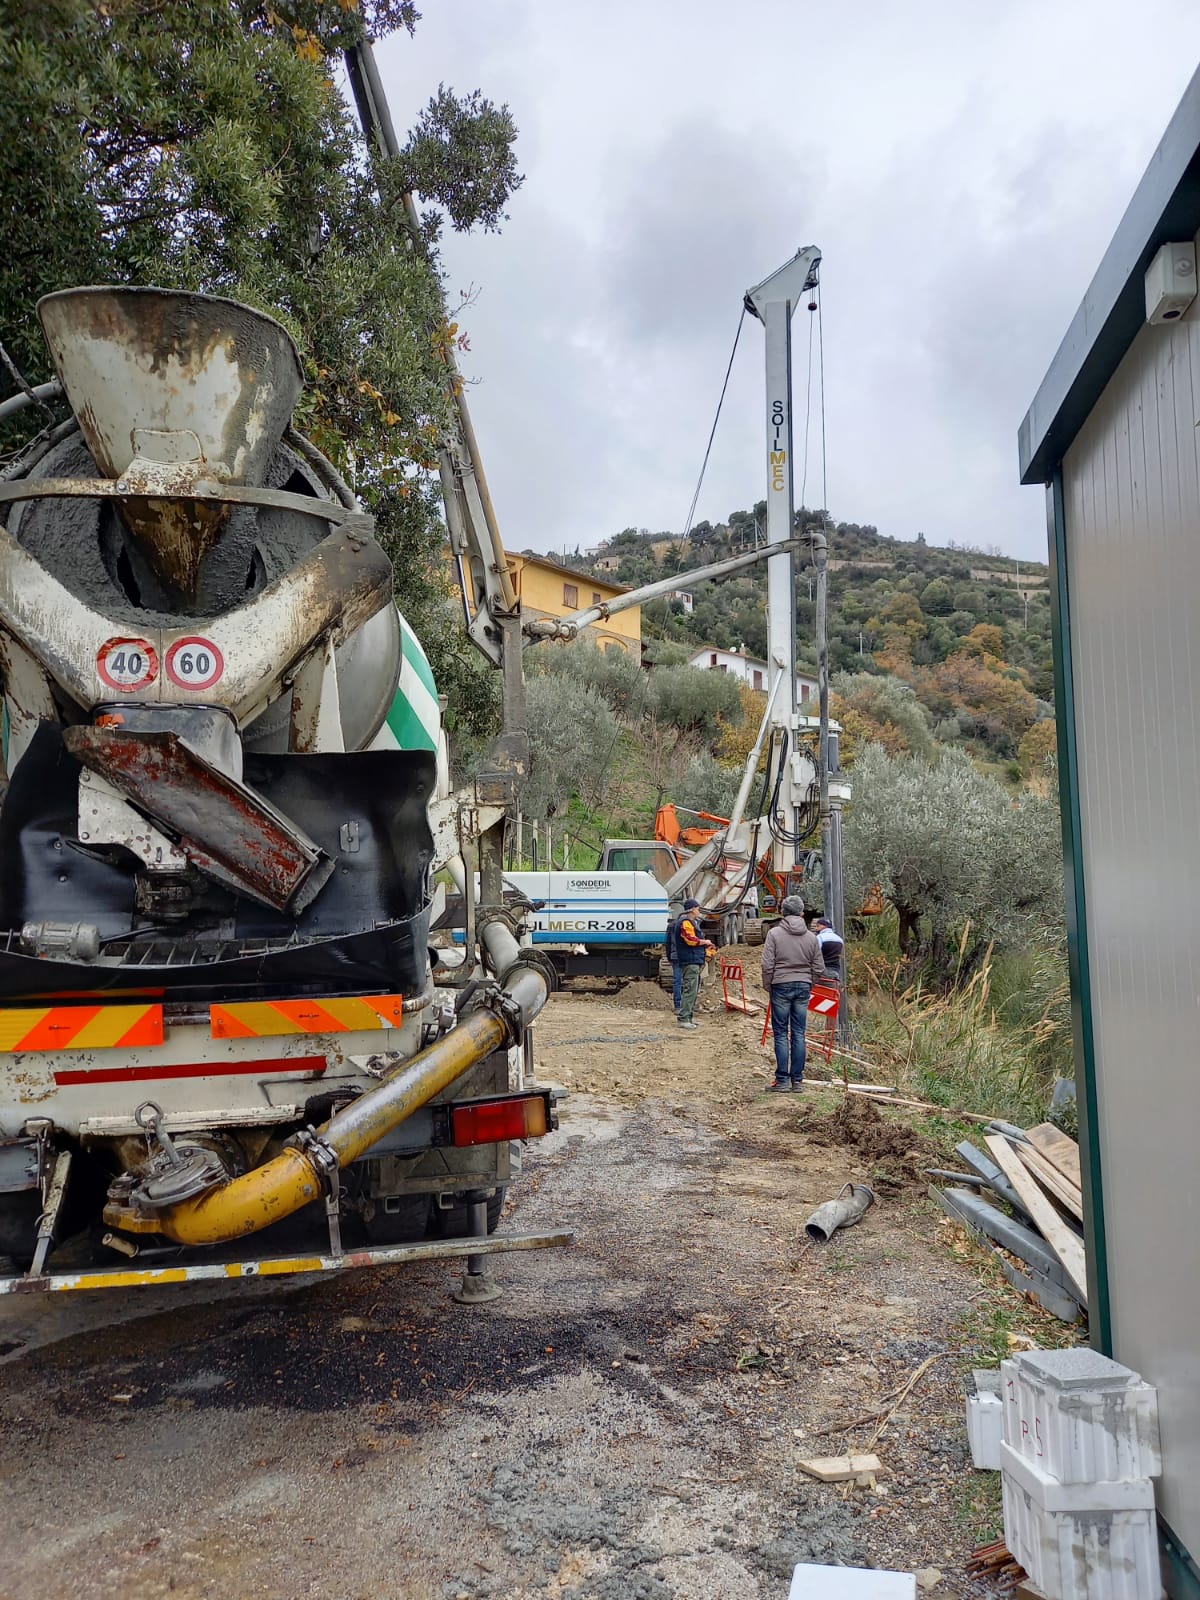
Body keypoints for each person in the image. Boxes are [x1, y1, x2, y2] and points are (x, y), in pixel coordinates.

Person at [760, 896, 826, 1090]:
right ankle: (797, 1080)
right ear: (802, 913)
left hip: (780, 985)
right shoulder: (811, 937)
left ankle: (782, 1080)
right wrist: (809, 983)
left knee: (780, 1033)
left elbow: (767, 964)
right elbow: (819, 967)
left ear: (783, 912)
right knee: (799, 1033)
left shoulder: (774, 934)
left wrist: (768, 985)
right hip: (803, 986)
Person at [675, 898, 715, 1030]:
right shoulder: (685, 923)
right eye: (698, 908)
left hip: (693, 959)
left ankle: (688, 1017)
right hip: (690, 960)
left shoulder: (691, 922)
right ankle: (684, 1018)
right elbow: (690, 940)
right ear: (692, 909)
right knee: (690, 989)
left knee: (693, 989)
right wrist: (705, 942)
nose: (699, 911)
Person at [813, 916, 844, 986]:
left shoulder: (819, 938)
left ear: (824, 926)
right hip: (835, 971)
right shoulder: (839, 939)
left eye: (818, 926)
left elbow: (815, 955)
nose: (816, 928)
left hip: (822, 972)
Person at [665, 901, 684, 1013]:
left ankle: (678, 1005)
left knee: (677, 981)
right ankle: (687, 1004)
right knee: (688, 981)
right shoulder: (686, 925)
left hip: (675, 956)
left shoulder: (671, 926)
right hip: (685, 956)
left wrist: (669, 957)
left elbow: (667, 943)